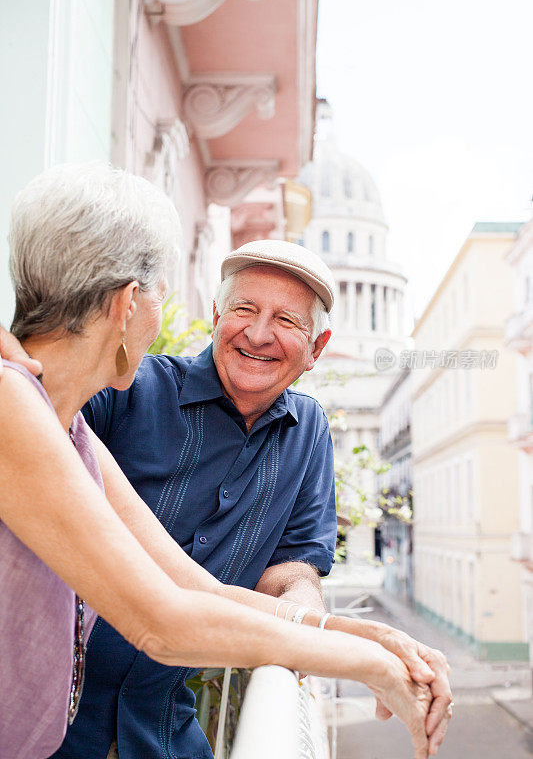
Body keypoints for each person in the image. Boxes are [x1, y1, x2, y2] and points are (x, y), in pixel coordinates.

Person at [0, 164, 451, 759]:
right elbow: (162, 621)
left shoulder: (72, 431)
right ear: (127, 303)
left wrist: (370, 635)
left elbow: (196, 588)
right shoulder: (20, 405)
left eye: (285, 320)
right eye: (161, 294)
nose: (258, 335)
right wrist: (369, 663)